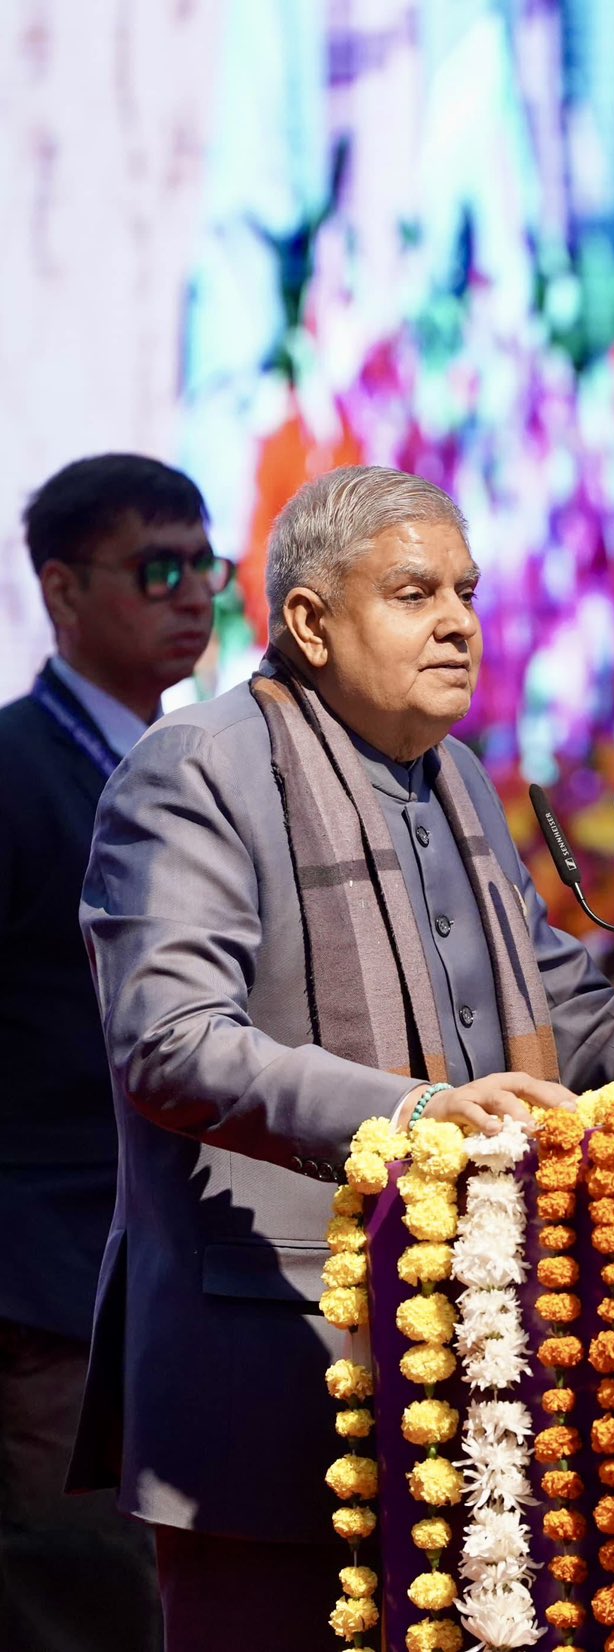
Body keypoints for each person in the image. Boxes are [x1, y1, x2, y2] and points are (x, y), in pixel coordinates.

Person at [70, 467, 614, 1650]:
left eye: (466, 590)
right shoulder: (196, 766)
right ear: (309, 622)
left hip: (474, 1362)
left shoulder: (451, 780)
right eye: (412, 592)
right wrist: (420, 1110)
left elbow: (577, 1019)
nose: (459, 620)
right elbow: (171, 1041)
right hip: (272, 1376)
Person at [1, 454, 219, 1650]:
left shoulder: (192, 763)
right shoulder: (14, 767)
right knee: (72, 1595)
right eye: (157, 568)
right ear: (62, 590)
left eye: (204, 566)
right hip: (41, 1277)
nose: (192, 595)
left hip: (170, 1267)